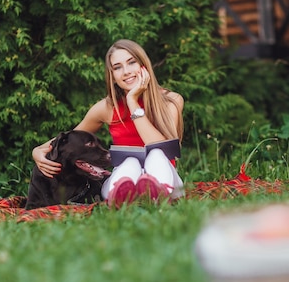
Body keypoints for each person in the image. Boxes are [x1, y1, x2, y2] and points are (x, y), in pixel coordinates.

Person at [32, 39, 185, 208]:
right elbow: (71, 137)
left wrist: (133, 102)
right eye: (117, 67)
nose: (126, 71)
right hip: (127, 176)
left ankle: (155, 195)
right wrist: (37, 151)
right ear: (112, 76)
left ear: (144, 65)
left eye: (131, 62)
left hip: (165, 176)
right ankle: (122, 199)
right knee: (130, 162)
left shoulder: (171, 101)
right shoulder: (106, 108)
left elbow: (157, 145)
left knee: (155, 156)